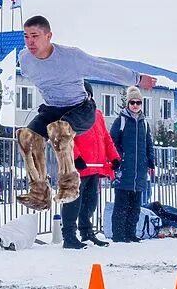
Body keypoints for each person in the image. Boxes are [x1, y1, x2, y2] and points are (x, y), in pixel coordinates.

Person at [16, 15, 157, 210]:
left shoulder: (71, 57)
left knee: (59, 130)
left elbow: (104, 68)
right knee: (26, 136)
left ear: (48, 36)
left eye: (35, 36)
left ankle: (69, 186)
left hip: (81, 108)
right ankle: (39, 193)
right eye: (26, 36)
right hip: (52, 108)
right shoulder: (24, 59)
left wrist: (137, 78)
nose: (30, 42)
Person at [62, 81, 121, 249]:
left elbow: (105, 138)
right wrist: (76, 157)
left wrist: (114, 157)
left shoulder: (98, 114)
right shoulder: (69, 114)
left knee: (90, 203)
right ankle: (69, 236)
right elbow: (64, 138)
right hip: (77, 168)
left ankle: (87, 232)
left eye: (86, 94)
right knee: (73, 202)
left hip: (94, 166)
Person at [109, 85, 156, 243]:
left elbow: (149, 143)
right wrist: (118, 159)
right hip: (124, 169)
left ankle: (130, 233)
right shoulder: (120, 121)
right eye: (132, 102)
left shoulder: (145, 123)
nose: (135, 105)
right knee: (121, 204)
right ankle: (118, 235)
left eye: (138, 102)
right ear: (127, 104)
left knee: (135, 205)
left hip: (139, 171)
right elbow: (112, 142)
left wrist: (151, 161)